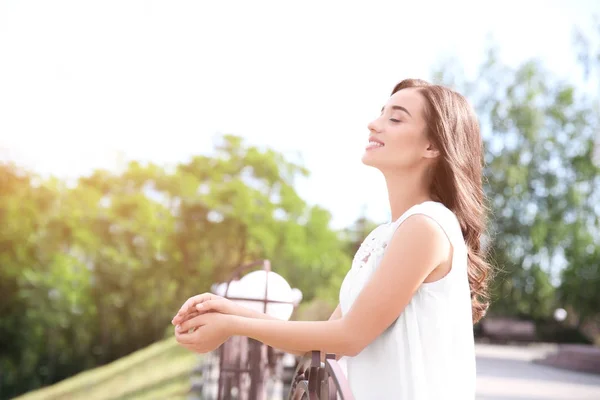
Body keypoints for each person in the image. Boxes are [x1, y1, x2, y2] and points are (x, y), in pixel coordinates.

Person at [171, 78, 492, 399]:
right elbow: (326, 342)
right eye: (382, 114)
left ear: (432, 146)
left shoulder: (427, 225)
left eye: (395, 118)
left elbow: (349, 337)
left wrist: (233, 326)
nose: (374, 124)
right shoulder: (384, 237)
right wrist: (229, 311)